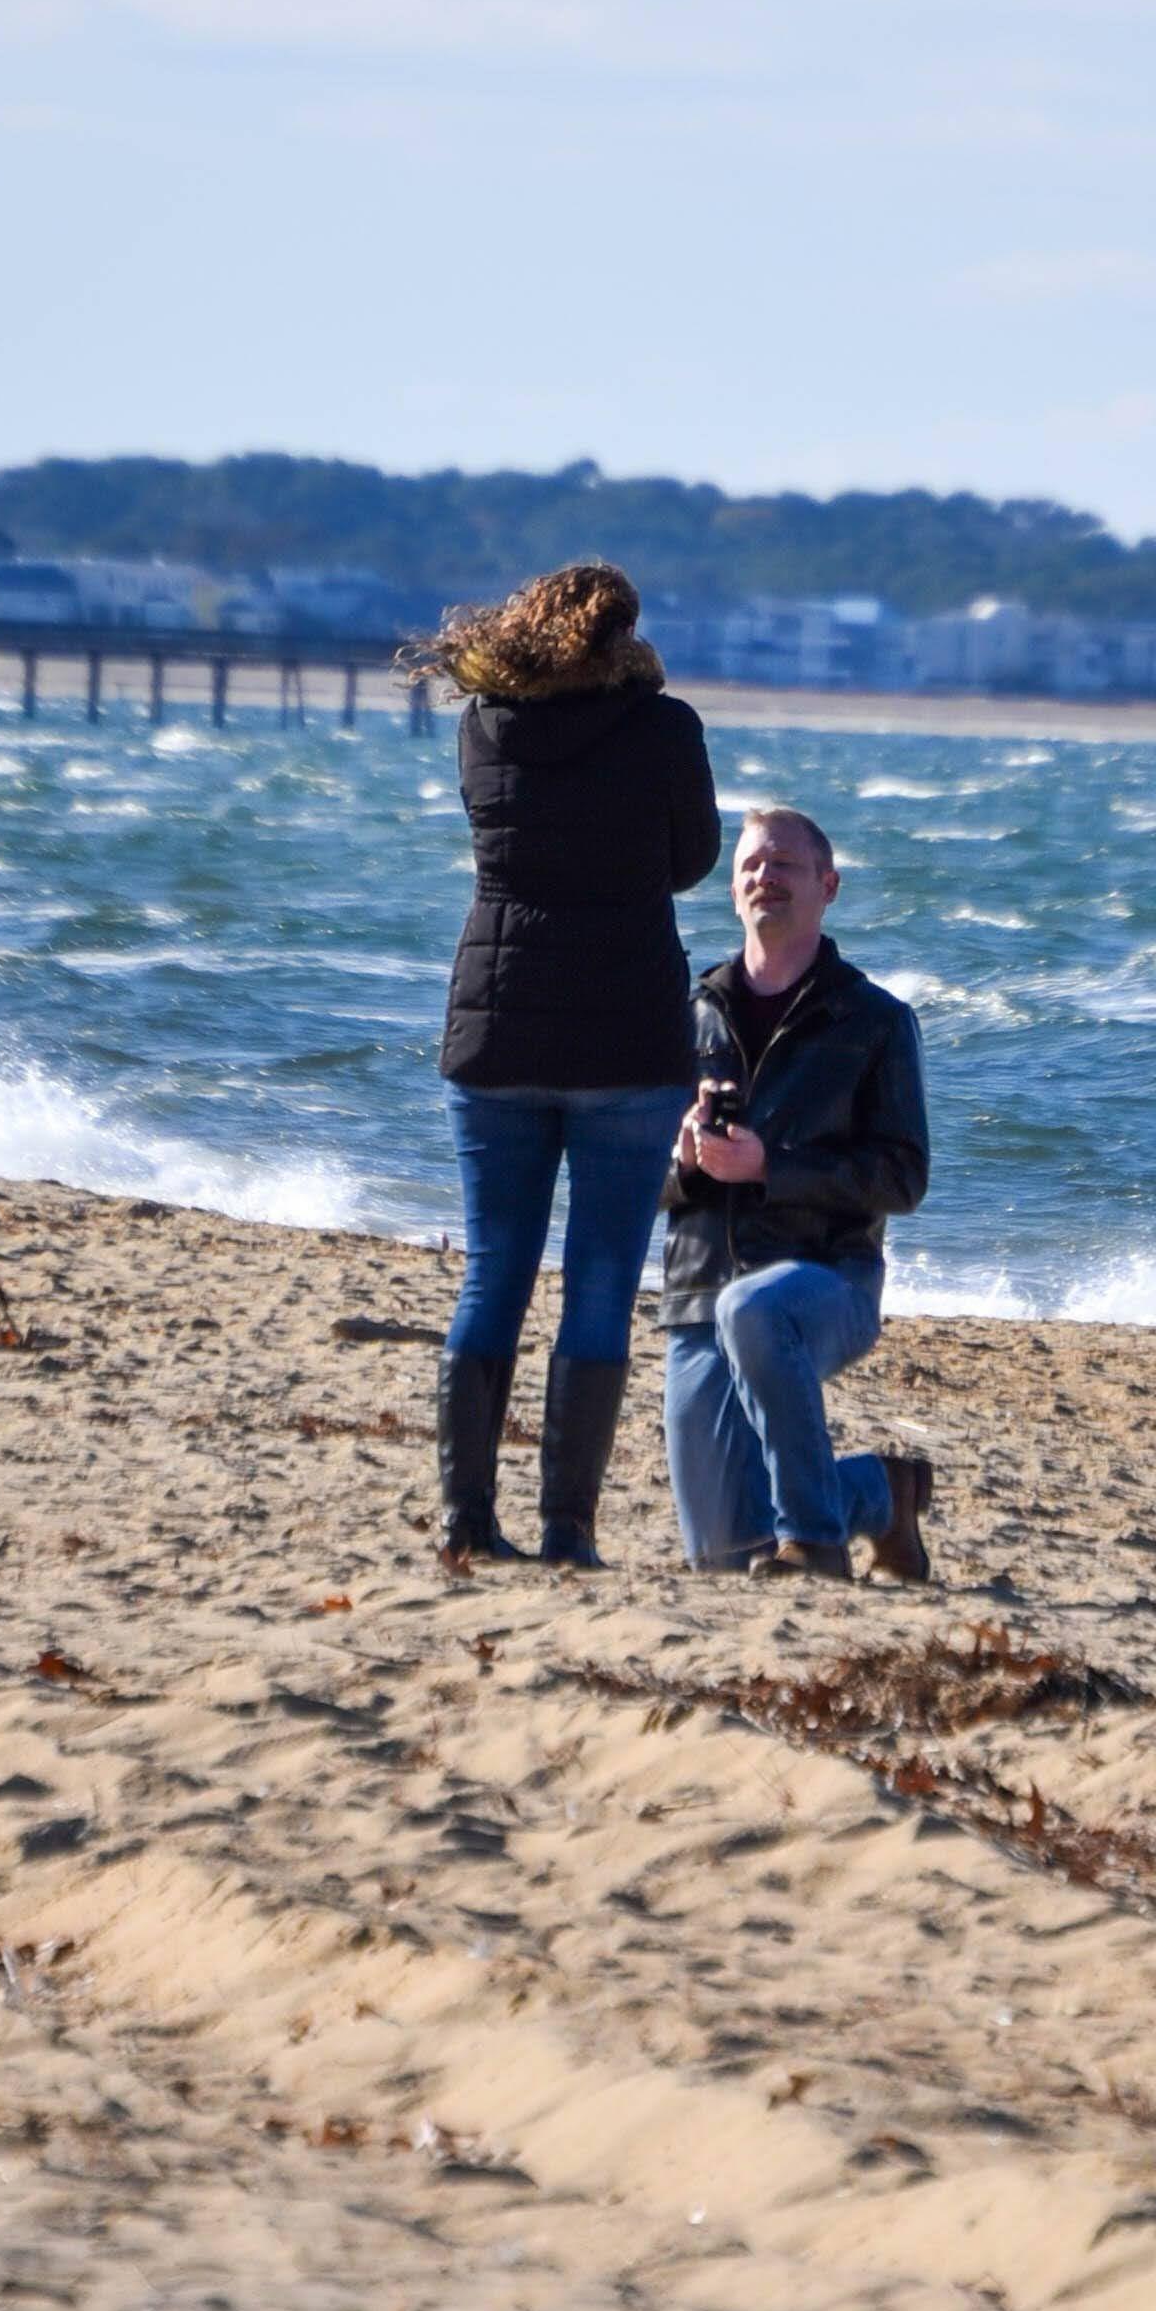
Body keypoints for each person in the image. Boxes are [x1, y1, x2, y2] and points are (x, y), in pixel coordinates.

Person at [412, 560, 720, 1565]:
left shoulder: (484, 725)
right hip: (627, 1032)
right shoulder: (663, 727)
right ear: (622, 637)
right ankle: (566, 1531)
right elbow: (690, 861)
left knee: (493, 1274)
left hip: (496, 1027)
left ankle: (465, 1519)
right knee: (597, 1284)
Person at [659, 804, 938, 1581]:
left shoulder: (875, 1020)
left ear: (828, 886)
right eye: (750, 865)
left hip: (826, 1278)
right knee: (725, 1557)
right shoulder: (690, 1014)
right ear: (733, 892)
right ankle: (880, 1492)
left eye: (783, 864)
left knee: (754, 1310)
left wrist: (769, 1169)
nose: (763, 876)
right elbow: (633, 1179)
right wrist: (682, 1163)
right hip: (697, 1289)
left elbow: (903, 1177)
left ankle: (816, 1541)